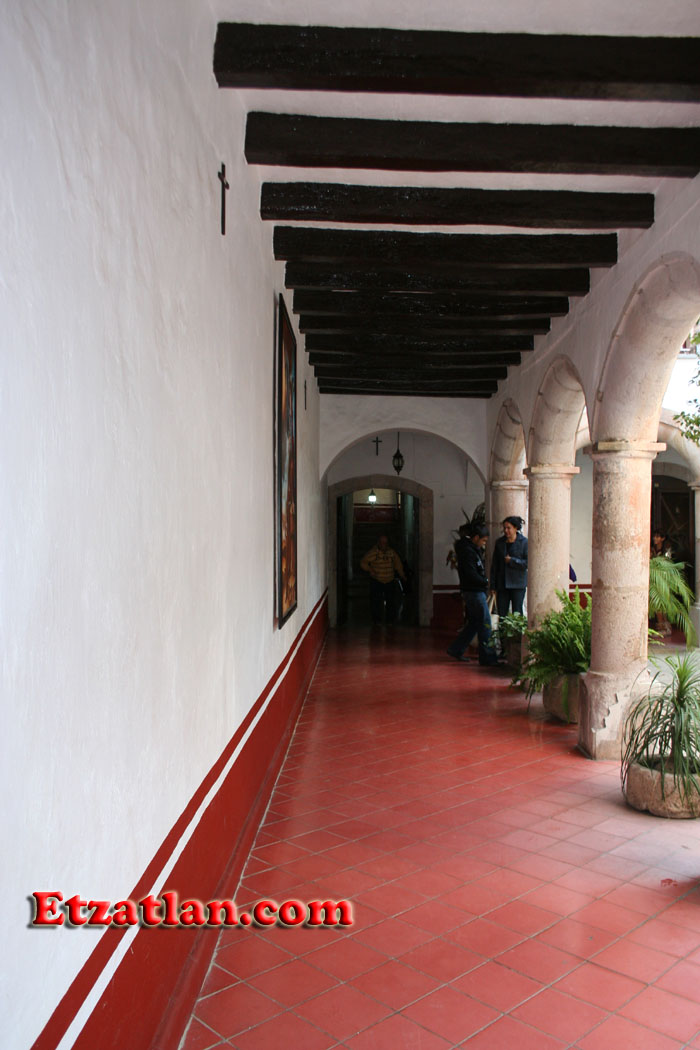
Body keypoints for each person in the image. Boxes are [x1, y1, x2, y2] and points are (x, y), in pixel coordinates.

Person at [447, 525, 501, 665]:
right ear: (476, 538)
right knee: (485, 622)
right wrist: (485, 581)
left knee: (475, 623)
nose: (484, 543)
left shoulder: (470, 549)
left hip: (471, 590)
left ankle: (456, 649)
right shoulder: (468, 552)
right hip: (474, 591)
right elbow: (471, 574)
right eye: (483, 540)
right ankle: (488, 657)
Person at [360, 534, 407, 624]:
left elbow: (398, 564)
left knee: (391, 602)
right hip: (377, 580)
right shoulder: (373, 553)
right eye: (382, 543)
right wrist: (370, 570)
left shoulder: (392, 553)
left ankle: (390, 620)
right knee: (376, 602)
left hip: (389, 580)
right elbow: (363, 562)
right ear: (378, 543)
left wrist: (402, 575)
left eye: (385, 543)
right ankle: (377, 620)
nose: (384, 545)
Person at [490, 515, 528, 618]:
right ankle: (502, 629)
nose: (506, 531)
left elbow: (527, 563)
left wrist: (512, 561)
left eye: (509, 528)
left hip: (518, 584)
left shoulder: (524, 542)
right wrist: (493, 585)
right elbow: (495, 565)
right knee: (502, 613)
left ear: (516, 528)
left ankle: (517, 629)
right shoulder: (500, 543)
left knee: (517, 613)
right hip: (502, 584)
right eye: (504, 528)